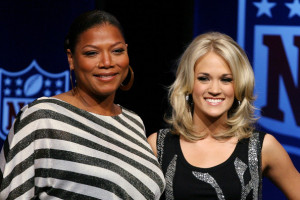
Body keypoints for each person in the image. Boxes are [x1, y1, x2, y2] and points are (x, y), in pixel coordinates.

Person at [0, 10, 165, 199]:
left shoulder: (134, 123)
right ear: (71, 58)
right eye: (92, 53)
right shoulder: (42, 117)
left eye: (117, 50)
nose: (107, 62)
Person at [148, 32, 300, 200]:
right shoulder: (157, 146)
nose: (214, 89)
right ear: (188, 84)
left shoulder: (263, 147)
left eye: (226, 80)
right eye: (204, 78)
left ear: (239, 86)